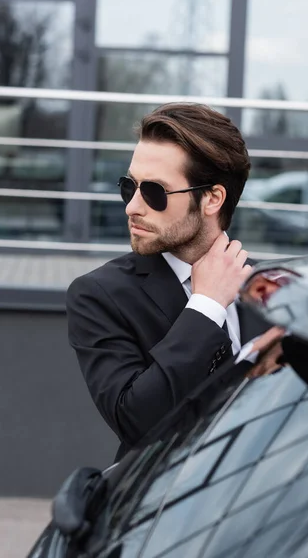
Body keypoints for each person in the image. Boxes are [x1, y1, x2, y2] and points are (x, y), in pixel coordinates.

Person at [66, 102, 279, 460]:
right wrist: (207, 306)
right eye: (129, 186)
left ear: (212, 199)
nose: (132, 207)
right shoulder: (98, 295)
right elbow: (136, 421)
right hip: (165, 508)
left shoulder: (272, 289)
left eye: (154, 192)